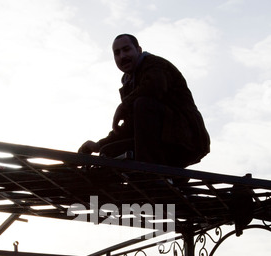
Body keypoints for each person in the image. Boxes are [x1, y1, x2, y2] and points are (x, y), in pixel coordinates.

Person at [78, 34, 210, 168]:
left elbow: (154, 87)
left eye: (126, 49)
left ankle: (152, 173)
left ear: (139, 50)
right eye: (117, 53)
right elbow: (130, 127)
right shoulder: (130, 83)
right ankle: (170, 177)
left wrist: (123, 106)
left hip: (186, 138)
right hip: (161, 140)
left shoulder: (155, 65)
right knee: (108, 152)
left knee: (143, 103)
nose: (122, 56)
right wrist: (98, 145)